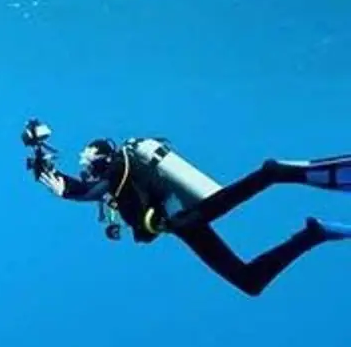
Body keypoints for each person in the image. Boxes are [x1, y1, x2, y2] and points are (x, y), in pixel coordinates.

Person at [22, 119, 351, 296]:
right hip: (182, 223)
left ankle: (273, 173)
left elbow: (83, 191)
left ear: (102, 157)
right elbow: (86, 191)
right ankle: (314, 233)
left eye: (87, 158)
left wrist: (53, 180)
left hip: (185, 218)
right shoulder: (117, 179)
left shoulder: (117, 172)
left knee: (237, 198)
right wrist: (47, 171)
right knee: (249, 281)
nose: (84, 163)